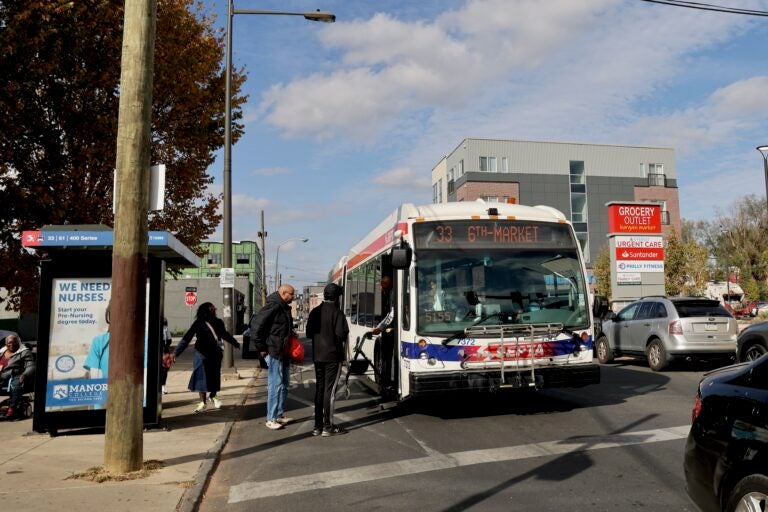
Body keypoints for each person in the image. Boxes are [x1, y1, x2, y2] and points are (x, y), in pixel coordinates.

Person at [172, 302, 240, 413]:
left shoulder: (218, 322)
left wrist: (235, 343)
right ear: (206, 311)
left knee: (214, 376)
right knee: (201, 377)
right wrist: (176, 353)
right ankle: (202, 402)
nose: (215, 309)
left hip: (215, 354)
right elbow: (187, 338)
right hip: (201, 355)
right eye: (212, 308)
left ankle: (213, 396)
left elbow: (224, 334)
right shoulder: (198, 323)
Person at [305, 283, 349, 437]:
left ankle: (317, 426)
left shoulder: (314, 312)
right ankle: (328, 426)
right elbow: (341, 335)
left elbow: (309, 333)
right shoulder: (338, 313)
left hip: (318, 356)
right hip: (333, 356)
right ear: (337, 297)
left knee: (320, 389)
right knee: (329, 392)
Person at [251, 284, 296, 430]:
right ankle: (270, 419)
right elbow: (256, 326)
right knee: (275, 385)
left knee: (284, 383)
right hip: (273, 351)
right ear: (284, 293)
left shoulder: (283, 307)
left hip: (283, 352)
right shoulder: (273, 306)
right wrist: (262, 349)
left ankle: (279, 415)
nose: (293, 297)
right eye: (292, 294)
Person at [0, 334, 34, 420]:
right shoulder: (2, 352)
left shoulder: (24, 352)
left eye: (14, 342)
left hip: (16, 374)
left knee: (16, 384)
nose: (11, 344)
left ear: (18, 342)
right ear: (6, 343)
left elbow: (30, 366)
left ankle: (12, 408)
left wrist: (25, 374)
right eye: (9, 343)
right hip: (1, 374)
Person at [371, 276, 395, 392]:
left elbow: (392, 315)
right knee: (386, 358)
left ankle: (387, 382)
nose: (380, 288)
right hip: (388, 330)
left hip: (391, 332)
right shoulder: (389, 294)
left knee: (387, 358)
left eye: (382, 285)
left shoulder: (392, 294)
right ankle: (386, 381)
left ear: (387, 284)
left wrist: (380, 328)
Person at [160, 318, 173, 394]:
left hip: (161, 352)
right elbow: (169, 341)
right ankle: (163, 387)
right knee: (164, 370)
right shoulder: (166, 329)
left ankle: (161, 387)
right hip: (164, 352)